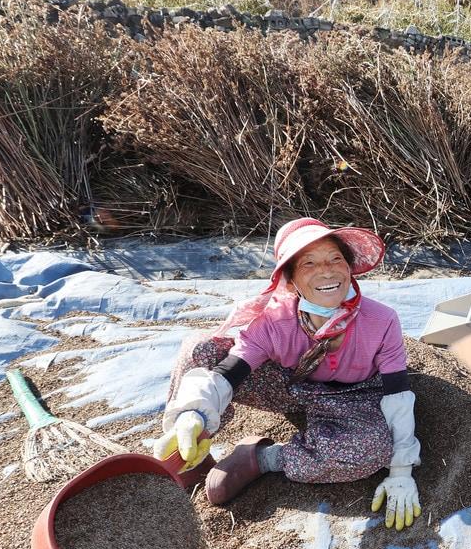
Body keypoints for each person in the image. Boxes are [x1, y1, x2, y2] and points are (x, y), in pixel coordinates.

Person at [156, 218, 423, 530]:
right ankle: (191, 454)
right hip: (290, 386)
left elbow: (397, 396)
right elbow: (229, 371)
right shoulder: (275, 322)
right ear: (291, 279)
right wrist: (193, 414)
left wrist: (401, 471)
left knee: (374, 449)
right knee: (199, 349)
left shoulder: (382, 321)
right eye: (309, 263)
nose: (326, 271)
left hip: (354, 396)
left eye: (335, 258)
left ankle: (262, 459)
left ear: (350, 268)